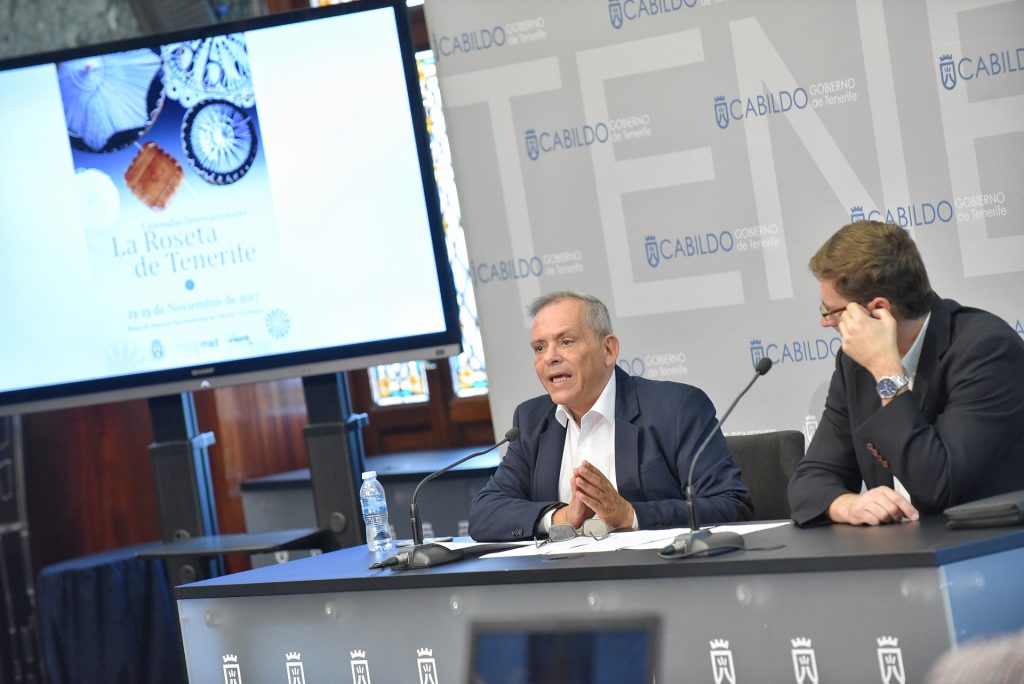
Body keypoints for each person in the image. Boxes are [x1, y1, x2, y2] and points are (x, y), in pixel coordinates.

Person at [788, 220, 1024, 526]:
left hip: (984, 542)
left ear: (878, 310)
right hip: (901, 549)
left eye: (830, 311)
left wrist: (886, 372)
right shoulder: (854, 364)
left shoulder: (986, 350)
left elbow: (938, 486)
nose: (825, 322)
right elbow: (811, 478)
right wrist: (847, 505)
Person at [469, 291, 751, 542]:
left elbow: (730, 505)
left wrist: (628, 514)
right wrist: (562, 517)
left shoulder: (676, 408)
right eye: (539, 348)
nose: (549, 357)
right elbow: (485, 513)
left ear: (608, 350)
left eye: (566, 342)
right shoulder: (531, 421)